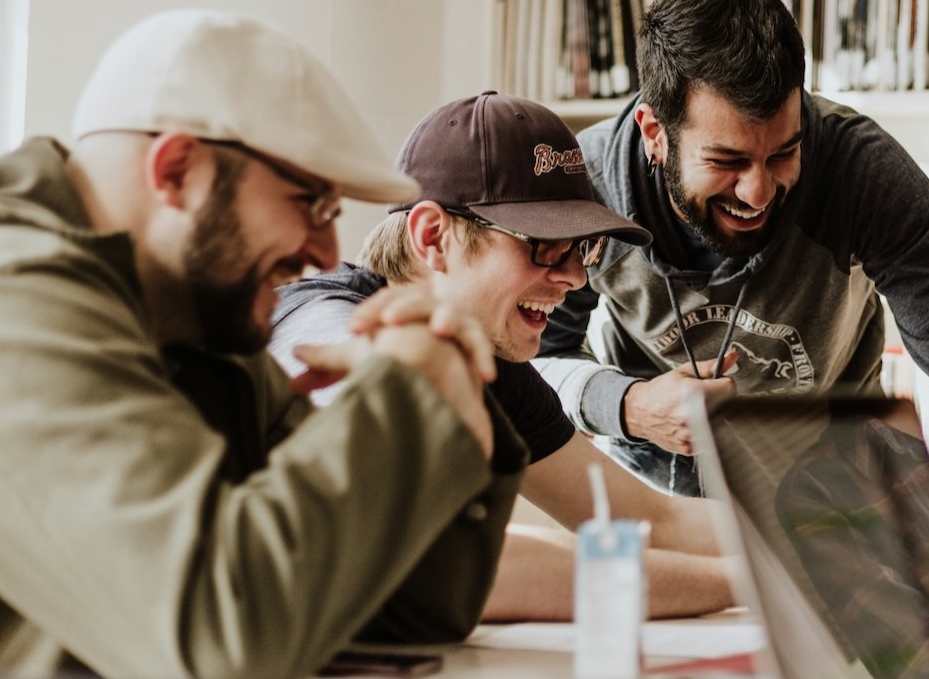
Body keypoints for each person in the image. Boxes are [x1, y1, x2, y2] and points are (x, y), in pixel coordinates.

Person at [0, 10, 525, 678]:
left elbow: (396, 615)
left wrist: (453, 396)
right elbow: (220, 641)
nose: (327, 249)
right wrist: (405, 400)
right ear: (176, 170)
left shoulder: (189, 326)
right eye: (309, 202)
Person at [533, 0, 929, 561]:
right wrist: (627, 406)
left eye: (783, 153)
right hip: (662, 511)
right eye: (727, 161)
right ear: (655, 131)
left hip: (838, 500)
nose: (758, 191)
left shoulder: (860, 169)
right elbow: (534, 363)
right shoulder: (586, 185)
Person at [268, 91, 737, 621]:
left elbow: (646, 520)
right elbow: (445, 562)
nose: (575, 278)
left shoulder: (491, 365)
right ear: (433, 237)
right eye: (544, 244)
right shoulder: (322, 327)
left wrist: (813, 543)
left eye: (581, 249)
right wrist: (751, 583)